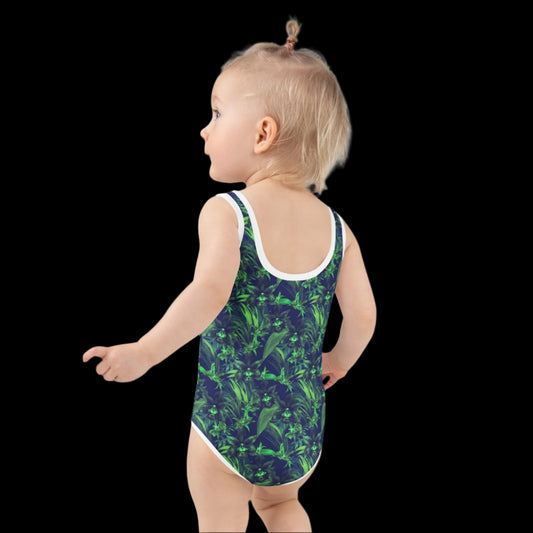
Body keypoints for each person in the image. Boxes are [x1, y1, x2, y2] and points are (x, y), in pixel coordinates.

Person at [83, 18, 376, 532]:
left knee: (220, 516)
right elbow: (364, 316)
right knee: (282, 507)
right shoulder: (339, 229)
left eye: (216, 113)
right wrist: (338, 361)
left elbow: (209, 292)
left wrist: (144, 353)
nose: (204, 128)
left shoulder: (228, 211)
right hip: (299, 425)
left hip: (228, 418)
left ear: (263, 134)